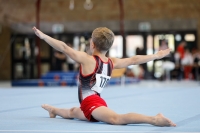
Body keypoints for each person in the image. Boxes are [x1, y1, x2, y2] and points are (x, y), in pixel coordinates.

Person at [32, 27, 176, 127]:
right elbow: (134, 60)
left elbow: (63, 47)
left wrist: (44, 36)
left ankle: (154, 119)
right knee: (71, 112)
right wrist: (156, 55)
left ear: (92, 44)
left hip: (92, 103)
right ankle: (54, 110)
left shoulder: (88, 59)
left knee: (116, 119)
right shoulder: (112, 62)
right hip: (91, 103)